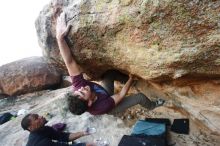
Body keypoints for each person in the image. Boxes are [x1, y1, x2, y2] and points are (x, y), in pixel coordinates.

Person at [56, 12, 165, 115]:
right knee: (140, 97)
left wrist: (60, 39)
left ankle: (131, 82)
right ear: (89, 103)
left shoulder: (79, 87)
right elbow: (121, 94)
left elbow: (69, 62)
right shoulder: (102, 106)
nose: (81, 89)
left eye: (78, 91)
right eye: (83, 93)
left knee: (109, 74)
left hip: (103, 94)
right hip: (112, 106)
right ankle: (152, 105)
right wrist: (131, 79)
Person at [21, 113, 94, 146]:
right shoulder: (39, 142)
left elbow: (64, 137)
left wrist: (83, 133)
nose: (41, 116)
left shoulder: (44, 129)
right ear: (30, 128)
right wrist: (87, 144)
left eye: (38, 115)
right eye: (36, 118)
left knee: (73, 143)